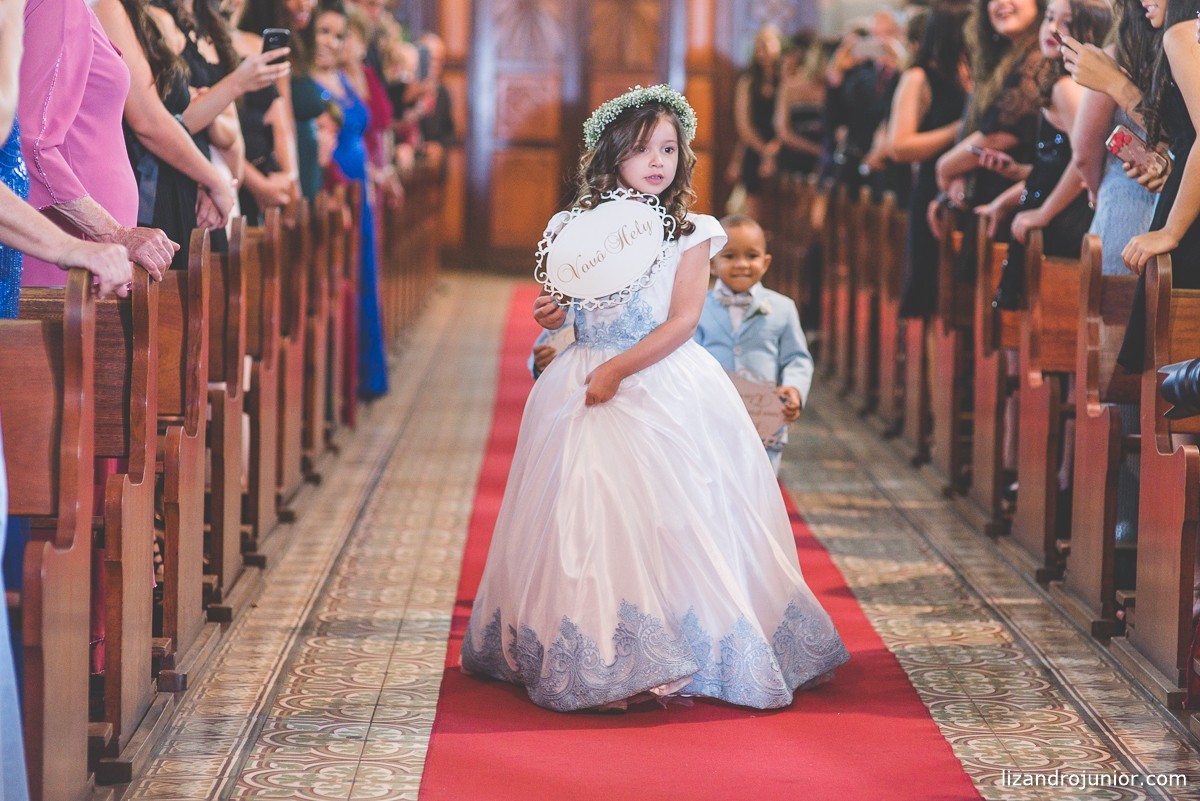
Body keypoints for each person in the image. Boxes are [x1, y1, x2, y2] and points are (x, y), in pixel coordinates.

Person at [460, 84, 849, 713]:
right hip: (583, 377)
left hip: (661, 377)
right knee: (587, 510)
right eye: (643, 149)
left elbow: (683, 320)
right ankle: (600, 652)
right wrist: (554, 313)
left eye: (668, 149)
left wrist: (618, 370)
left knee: (677, 513)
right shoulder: (572, 228)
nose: (657, 162)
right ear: (613, 153)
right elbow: (566, 311)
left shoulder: (690, 232)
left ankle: (685, 642)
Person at [20, 0, 176, 288]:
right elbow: (33, 145)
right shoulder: (57, 4)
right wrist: (113, 233)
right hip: (73, 252)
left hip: (90, 249)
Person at [991, 0, 1111, 310]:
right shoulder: (1068, 82)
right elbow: (1054, 167)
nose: (1052, 29)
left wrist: (1044, 212)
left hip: (1062, 215)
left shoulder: (1066, 86)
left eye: (1066, 23)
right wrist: (1006, 197)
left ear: (1089, 31)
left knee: (1042, 315)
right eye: (1049, 18)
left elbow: (1083, 159)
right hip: (1058, 205)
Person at [694, 214, 811, 475]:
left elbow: (797, 358)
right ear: (712, 264)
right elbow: (688, 358)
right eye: (729, 256)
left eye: (752, 256)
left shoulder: (782, 307)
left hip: (764, 417)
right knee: (717, 478)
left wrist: (794, 389)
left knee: (762, 481)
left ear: (766, 262)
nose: (742, 265)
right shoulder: (698, 307)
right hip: (714, 412)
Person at [311, 0, 388, 398]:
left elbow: (374, 122)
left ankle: (366, 374)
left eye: (339, 35)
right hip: (334, 188)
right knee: (343, 280)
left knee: (365, 276)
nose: (331, 41)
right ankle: (341, 381)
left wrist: (373, 173)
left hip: (360, 189)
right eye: (323, 32)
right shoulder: (305, 81)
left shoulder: (344, 76)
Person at [888, 0, 971, 319]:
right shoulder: (919, 77)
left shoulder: (971, 73)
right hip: (929, 190)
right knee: (931, 290)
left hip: (964, 189)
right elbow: (900, 146)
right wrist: (959, 129)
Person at [730, 24, 784, 220]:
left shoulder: (786, 79)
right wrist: (765, 151)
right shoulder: (748, 81)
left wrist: (777, 145)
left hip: (782, 144)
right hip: (755, 146)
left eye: (768, 42)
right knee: (754, 207)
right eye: (759, 45)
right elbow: (743, 124)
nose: (764, 49)